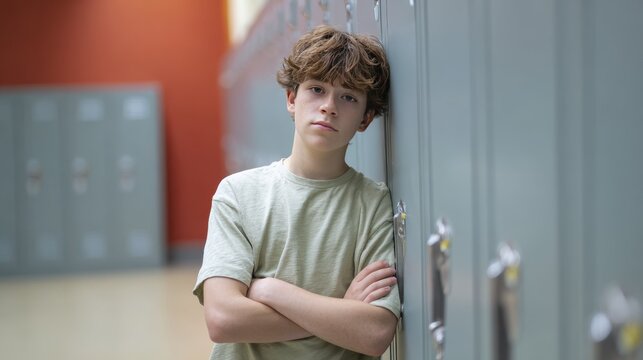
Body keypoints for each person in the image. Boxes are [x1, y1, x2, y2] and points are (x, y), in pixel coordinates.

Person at [193, 25, 400, 360]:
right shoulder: (238, 194)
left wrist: (271, 290)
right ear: (292, 99)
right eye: (316, 89)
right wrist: (340, 312)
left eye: (348, 97)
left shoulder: (373, 203)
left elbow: (374, 332)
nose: (329, 106)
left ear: (365, 118)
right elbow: (223, 319)